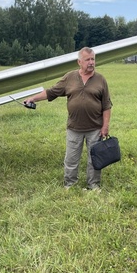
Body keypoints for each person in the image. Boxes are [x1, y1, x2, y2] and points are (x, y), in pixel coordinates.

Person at [24, 47, 112, 190]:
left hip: (95, 128)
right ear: (79, 62)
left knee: (94, 159)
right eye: (87, 60)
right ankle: (70, 184)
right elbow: (51, 92)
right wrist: (33, 98)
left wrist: (105, 126)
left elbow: (106, 105)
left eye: (93, 59)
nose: (91, 62)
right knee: (71, 159)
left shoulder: (101, 79)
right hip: (74, 128)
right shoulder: (69, 77)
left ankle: (93, 185)